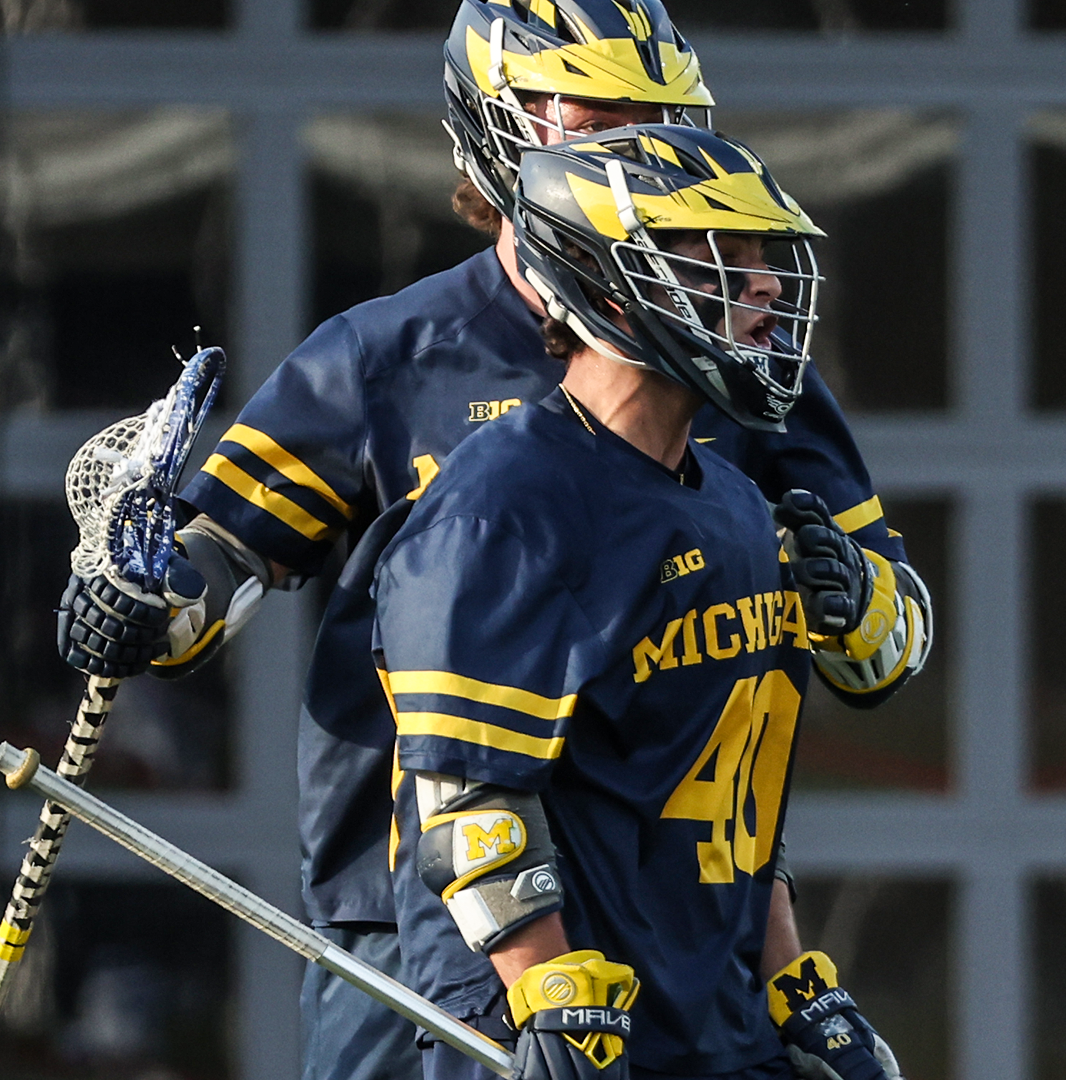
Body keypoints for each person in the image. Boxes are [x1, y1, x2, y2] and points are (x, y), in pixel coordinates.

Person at [52, 3, 932, 1078]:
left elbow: (877, 631)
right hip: (416, 934)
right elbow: (213, 572)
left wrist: (860, 611)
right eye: (602, 119)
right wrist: (137, 597)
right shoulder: (385, 356)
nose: (635, 150)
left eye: (658, 121)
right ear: (499, 128)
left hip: (673, 924)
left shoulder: (743, 362)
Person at [375, 125, 893, 1080]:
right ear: (607, 284)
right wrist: (553, 994)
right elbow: (468, 799)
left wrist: (797, 987)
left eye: (764, 258)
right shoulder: (503, 507)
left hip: (724, 1035)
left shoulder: (738, 504)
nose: (768, 283)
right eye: (722, 258)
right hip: (561, 1042)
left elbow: (731, 799)